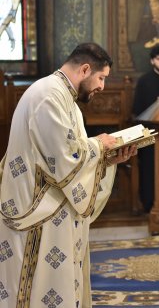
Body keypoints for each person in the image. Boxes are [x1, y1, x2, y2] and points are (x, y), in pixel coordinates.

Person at [0, 43, 137, 308]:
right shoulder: (49, 95)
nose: (102, 86)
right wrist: (101, 145)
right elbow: (63, 157)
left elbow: (72, 153)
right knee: (35, 288)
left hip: (50, 209)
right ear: (85, 69)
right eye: (101, 78)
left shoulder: (64, 97)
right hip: (37, 210)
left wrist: (109, 158)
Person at [132, 45, 159, 213]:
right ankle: (149, 203)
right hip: (149, 131)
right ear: (152, 61)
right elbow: (137, 109)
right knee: (149, 168)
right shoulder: (144, 81)